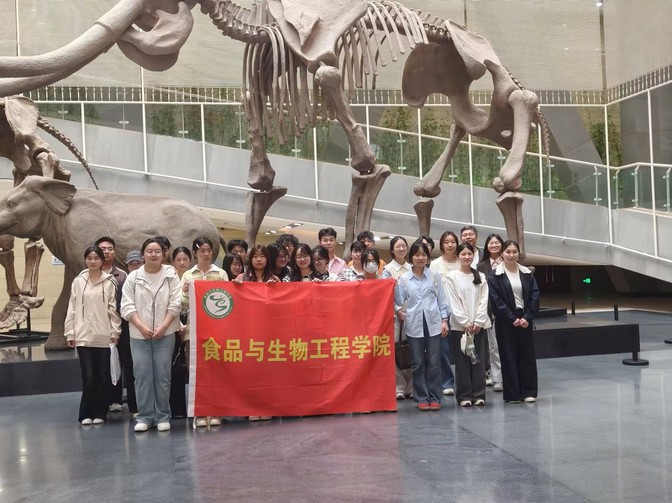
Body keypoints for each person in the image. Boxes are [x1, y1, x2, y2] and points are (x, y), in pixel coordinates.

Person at [121, 238, 182, 432]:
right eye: (149, 251)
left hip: (166, 334)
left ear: (163, 254)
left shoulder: (170, 275)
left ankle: (162, 415)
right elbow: (126, 306)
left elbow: (176, 303)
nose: (153, 254)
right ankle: (145, 416)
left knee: (163, 376)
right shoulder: (133, 277)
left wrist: (163, 327)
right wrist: (141, 327)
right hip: (139, 335)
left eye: (157, 251)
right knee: (142, 376)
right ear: (143, 254)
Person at [64, 245, 121, 425]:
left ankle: (100, 412)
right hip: (83, 335)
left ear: (102, 260)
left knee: (103, 376)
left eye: (96, 258)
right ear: (85, 260)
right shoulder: (78, 281)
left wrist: (115, 331)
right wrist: (70, 332)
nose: (93, 261)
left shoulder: (110, 281)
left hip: (104, 335)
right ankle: (85, 413)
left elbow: (113, 309)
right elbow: (72, 307)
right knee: (88, 377)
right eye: (89, 258)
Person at [394, 241, 450, 412]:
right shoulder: (404, 279)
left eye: (424, 254)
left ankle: (435, 397)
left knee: (434, 362)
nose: (420, 258)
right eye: (417, 254)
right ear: (411, 257)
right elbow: (397, 301)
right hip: (414, 324)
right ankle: (421, 397)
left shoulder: (435, 276)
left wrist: (444, 320)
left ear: (428, 257)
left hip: (433, 323)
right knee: (417, 363)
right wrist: (399, 311)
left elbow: (442, 300)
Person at [181, 237, 228, 427]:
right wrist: (185, 292)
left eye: (209, 250)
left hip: (217, 332)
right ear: (195, 253)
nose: (206, 254)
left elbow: (229, 300)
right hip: (193, 332)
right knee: (196, 373)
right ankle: (200, 413)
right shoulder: (188, 275)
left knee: (217, 373)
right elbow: (182, 305)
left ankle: (216, 411)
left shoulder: (221, 273)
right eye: (202, 251)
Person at [487, 240, 540, 404]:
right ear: (502, 253)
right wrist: (512, 318)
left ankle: (528, 391)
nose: (511, 255)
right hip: (505, 320)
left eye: (514, 252)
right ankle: (513, 394)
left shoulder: (527, 273)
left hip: (524, 319)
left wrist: (527, 317)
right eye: (508, 252)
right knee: (508, 356)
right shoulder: (495, 275)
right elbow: (496, 300)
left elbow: (535, 296)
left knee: (527, 356)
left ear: (519, 254)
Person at [445, 243, 491, 407]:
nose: (466, 257)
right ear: (458, 256)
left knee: (478, 360)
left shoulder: (481, 276)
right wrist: (465, 322)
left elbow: (484, 300)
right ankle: (464, 395)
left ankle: (479, 394)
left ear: (473, 256)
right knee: (462, 361)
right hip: (460, 327)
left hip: (478, 326)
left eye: (469, 254)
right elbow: (453, 302)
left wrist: (478, 321)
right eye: (463, 254)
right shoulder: (451, 277)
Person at [94, 236, 131, 414]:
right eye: (103, 249)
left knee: (123, 362)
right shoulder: (88, 275)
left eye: (110, 248)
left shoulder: (122, 276)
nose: (107, 251)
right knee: (103, 364)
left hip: (121, 326)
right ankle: (109, 400)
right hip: (98, 327)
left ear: (115, 252)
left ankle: (125, 401)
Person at [382, 236, 412, 400]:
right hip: (394, 317)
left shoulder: (412, 268)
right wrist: (398, 310)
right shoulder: (387, 270)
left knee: (413, 350)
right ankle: (399, 387)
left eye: (403, 246)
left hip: (413, 315)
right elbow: (387, 294)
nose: (401, 249)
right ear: (392, 250)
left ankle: (411, 387)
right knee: (396, 350)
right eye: (398, 246)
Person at [429, 231, 459, 397]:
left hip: (461, 311)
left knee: (464, 349)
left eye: (453, 241)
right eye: (446, 242)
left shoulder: (463, 260)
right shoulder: (435, 264)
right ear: (441, 244)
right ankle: (447, 382)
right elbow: (433, 290)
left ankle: (464, 381)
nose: (450, 245)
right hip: (442, 312)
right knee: (444, 349)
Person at [477, 233, 505, 392]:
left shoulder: (508, 261)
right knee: (493, 347)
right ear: (487, 246)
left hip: (509, 312)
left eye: (497, 243)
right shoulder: (481, 266)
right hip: (490, 311)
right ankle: (497, 378)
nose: (494, 245)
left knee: (508, 346)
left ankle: (510, 376)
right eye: (491, 243)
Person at [169, 246, 192, 420]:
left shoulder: (194, 276)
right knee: (175, 368)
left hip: (192, 326)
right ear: (173, 262)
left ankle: (194, 407)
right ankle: (177, 409)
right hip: (172, 326)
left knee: (192, 369)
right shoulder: (170, 278)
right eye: (178, 260)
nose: (182, 262)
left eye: (185, 259)